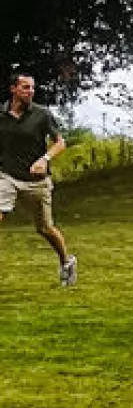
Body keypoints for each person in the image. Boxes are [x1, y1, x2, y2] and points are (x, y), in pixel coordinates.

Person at [0, 74, 76, 285]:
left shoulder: (42, 114)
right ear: (13, 89)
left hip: (37, 181)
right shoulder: (1, 114)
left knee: (45, 228)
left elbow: (60, 143)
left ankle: (66, 262)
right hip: (7, 176)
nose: (30, 91)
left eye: (32, 87)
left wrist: (45, 159)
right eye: (25, 87)